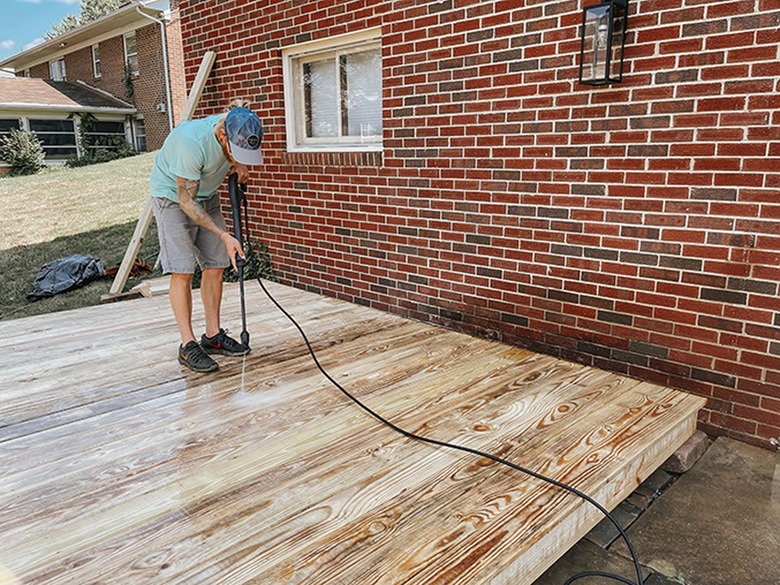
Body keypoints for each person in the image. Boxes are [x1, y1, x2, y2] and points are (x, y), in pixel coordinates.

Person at [149, 99, 263, 372]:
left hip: (206, 195)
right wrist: (224, 234)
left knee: (216, 264)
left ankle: (212, 336)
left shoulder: (238, 124)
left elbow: (239, 123)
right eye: (235, 152)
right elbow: (187, 201)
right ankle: (188, 346)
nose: (237, 156)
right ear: (222, 135)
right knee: (183, 270)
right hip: (174, 199)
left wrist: (241, 165)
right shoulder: (190, 143)